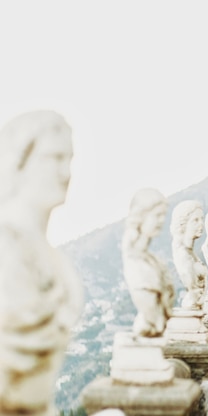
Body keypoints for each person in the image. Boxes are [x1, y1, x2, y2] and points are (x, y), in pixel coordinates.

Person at [0, 111, 84, 415]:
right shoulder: (6, 251)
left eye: (69, 159)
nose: (65, 172)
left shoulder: (54, 260)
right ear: (19, 162)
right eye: (53, 158)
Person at [122, 188, 175, 337]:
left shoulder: (153, 260)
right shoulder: (135, 262)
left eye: (163, 215)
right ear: (141, 216)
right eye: (157, 215)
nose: (162, 220)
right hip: (149, 330)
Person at [170, 200, 207, 309]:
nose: (201, 224)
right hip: (192, 305)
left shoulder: (191, 254)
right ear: (183, 224)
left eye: (202, 219)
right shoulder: (183, 255)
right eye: (195, 220)